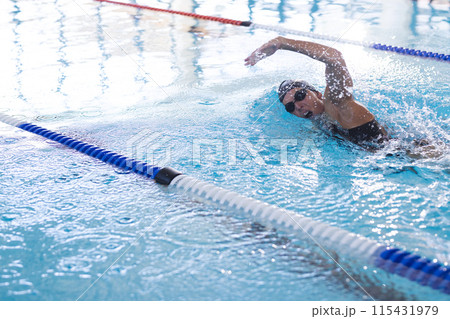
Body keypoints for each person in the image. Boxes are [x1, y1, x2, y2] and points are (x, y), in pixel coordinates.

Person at [244, 36, 389, 148]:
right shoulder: (320, 121)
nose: (298, 106)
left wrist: (282, 42)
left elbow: (335, 58)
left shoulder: (338, 105)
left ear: (318, 94)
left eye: (300, 96)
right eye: (290, 107)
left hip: (402, 156)